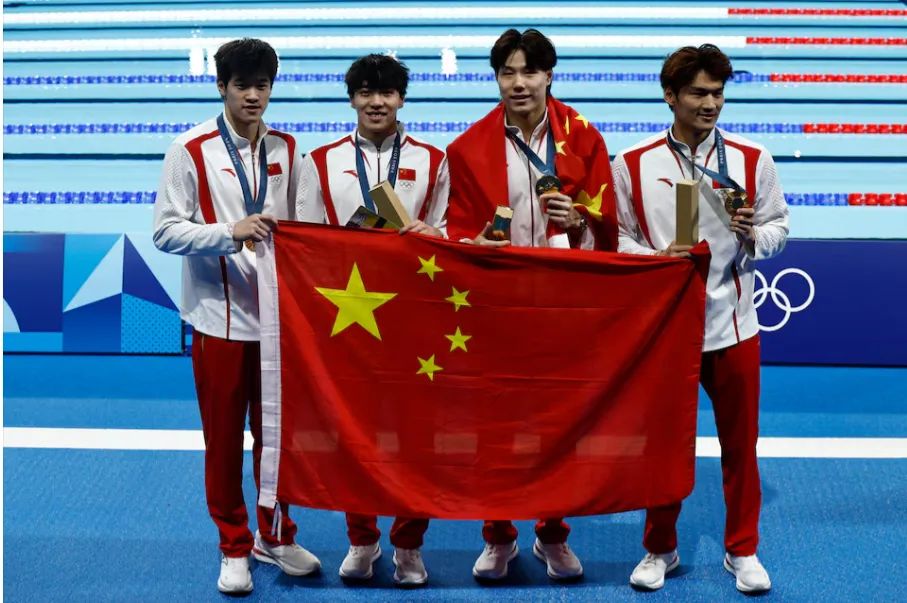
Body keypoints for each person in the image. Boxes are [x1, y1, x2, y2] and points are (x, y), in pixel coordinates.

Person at [612, 44, 789, 594]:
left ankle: (743, 550)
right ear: (670, 96)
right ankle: (659, 548)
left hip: (734, 326)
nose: (710, 103)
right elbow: (618, 238)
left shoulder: (753, 159)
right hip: (666, 332)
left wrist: (752, 236)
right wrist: (655, 258)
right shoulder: (632, 163)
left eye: (717, 93)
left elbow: (779, 228)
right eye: (698, 93)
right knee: (663, 447)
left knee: (741, 446)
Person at [445, 28, 619, 581]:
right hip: (497, 305)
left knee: (559, 424)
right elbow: (457, 231)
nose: (518, 83)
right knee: (494, 423)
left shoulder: (584, 138)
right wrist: (477, 243)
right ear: (497, 78)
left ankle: (552, 533)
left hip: (563, 305)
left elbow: (611, 225)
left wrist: (580, 221)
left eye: (529, 72)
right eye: (507, 73)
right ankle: (498, 534)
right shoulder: (467, 148)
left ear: (549, 75)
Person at [153, 37, 320, 594]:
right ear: (221, 86)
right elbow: (165, 231)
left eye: (262, 86)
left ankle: (275, 535)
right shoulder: (189, 149)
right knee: (223, 444)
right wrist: (230, 232)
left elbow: (309, 229)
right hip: (218, 323)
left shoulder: (289, 150)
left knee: (278, 442)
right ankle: (232, 545)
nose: (253, 96)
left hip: (279, 327)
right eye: (242, 85)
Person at [296, 53, 448, 586]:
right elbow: (305, 239)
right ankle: (362, 538)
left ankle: (408, 544)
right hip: (348, 319)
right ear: (352, 99)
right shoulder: (320, 161)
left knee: (414, 434)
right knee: (351, 431)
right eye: (365, 92)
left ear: (402, 99)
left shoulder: (433, 159)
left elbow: (449, 231)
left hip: (413, 318)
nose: (376, 102)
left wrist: (432, 233)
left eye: (386, 92)